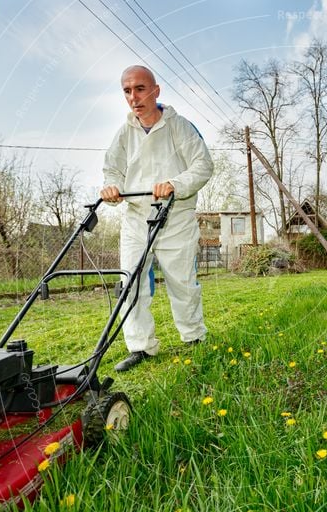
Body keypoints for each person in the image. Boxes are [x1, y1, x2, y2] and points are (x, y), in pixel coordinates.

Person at [100, 65, 214, 372]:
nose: (133, 97)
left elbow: (203, 166)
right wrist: (112, 188)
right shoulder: (124, 133)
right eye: (127, 91)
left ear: (155, 91)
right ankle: (141, 347)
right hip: (137, 218)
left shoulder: (179, 127)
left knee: (183, 283)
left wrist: (175, 184)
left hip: (175, 218)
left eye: (139, 89)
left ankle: (193, 337)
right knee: (131, 283)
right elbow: (112, 169)